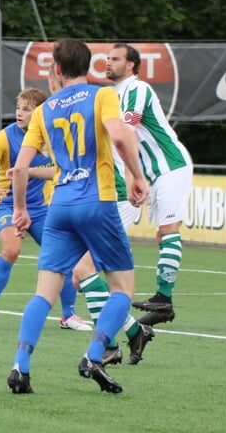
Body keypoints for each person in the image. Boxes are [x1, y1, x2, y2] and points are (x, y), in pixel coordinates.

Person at [6, 39, 149, 395]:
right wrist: (136, 175)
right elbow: (119, 136)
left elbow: (21, 167)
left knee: (43, 294)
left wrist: (20, 209)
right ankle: (95, 354)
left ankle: (20, 367)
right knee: (122, 287)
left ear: (56, 69)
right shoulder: (102, 95)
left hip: (60, 207)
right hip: (96, 201)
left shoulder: (44, 110)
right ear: (91, 65)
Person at [47, 65, 155, 365]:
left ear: (59, 80)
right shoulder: (64, 114)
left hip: (111, 198)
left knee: (82, 273)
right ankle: (133, 330)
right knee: (81, 278)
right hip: (88, 202)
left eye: (52, 85)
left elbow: (122, 136)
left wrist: (136, 176)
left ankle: (108, 345)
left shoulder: (83, 105)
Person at [0, 88, 91, 332]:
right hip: (7, 204)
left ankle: (69, 316)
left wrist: (30, 171)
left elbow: (59, 170)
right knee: (12, 249)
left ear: (40, 113)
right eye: (18, 108)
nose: (19, 113)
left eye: (26, 108)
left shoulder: (53, 138)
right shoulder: (5, 137)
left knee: (64, 257)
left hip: (41, 208)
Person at [106, 42, 193, 326]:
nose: (108, 62)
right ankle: (163, 305)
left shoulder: (137, 89)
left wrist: (132, 177)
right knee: (162, 236)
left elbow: (127, 131)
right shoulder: (114, 95)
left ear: (131, 64)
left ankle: (163, 299)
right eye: (107, 58)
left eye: (115, 58)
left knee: (169, 230)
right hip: (154, 174)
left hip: (170, 165)